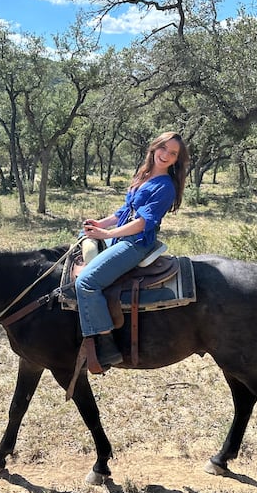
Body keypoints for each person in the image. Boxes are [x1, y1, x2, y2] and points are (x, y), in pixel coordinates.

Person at [76, 131, 190, 368]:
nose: (166, 155)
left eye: (173, 153)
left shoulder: (165, 186)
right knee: (82, 239)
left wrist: (107, 235)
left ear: (177, 159)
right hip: (123, 237)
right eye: (164, 149)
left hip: (136, 243)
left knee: (86, 282)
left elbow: (141, 223)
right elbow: (123, 213)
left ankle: (106, 342)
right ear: (155, 147)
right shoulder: (144, 175)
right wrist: (101, 224)